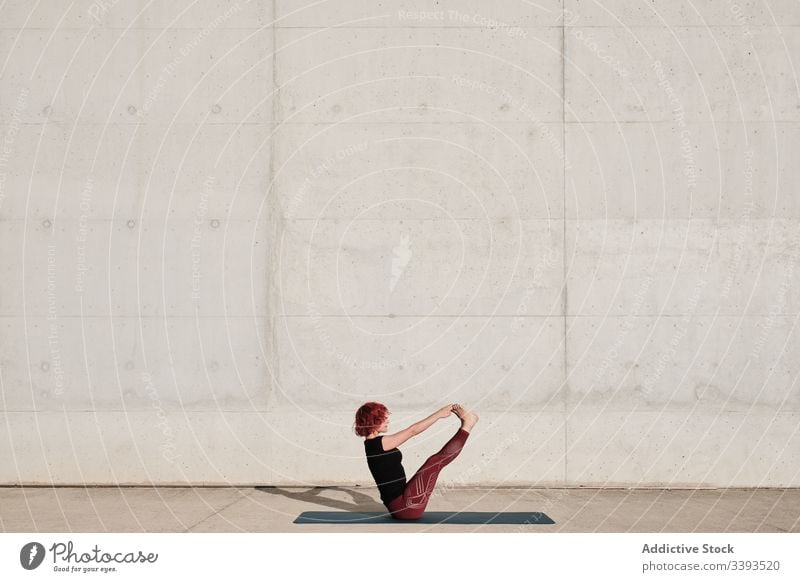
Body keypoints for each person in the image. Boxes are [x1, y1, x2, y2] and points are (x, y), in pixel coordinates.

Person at [354, 402, 479, 520]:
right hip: (404, 508)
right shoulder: (378, 444)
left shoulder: (373, 445)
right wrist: (439, 414)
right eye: (383, 418)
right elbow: (412, 430)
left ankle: (467, 424)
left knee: (434, 462)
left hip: (402, 503)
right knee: (434, 462)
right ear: (372, 421)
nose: (388, 420)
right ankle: (467, 425)